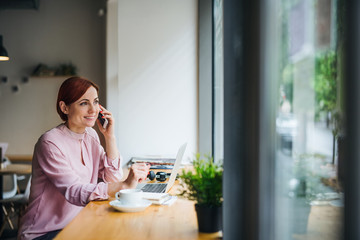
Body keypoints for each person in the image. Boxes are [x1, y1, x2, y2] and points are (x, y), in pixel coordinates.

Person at [18, 77, 150, 240]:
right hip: (44, 232)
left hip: (77, 223)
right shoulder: (50, 143)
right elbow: (74, 191)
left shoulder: (91, 135)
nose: (93, 110)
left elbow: (112, 177)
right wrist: (123, 185)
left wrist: (110, 138)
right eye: (84, 103)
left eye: (95, 102)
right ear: (64, 107)